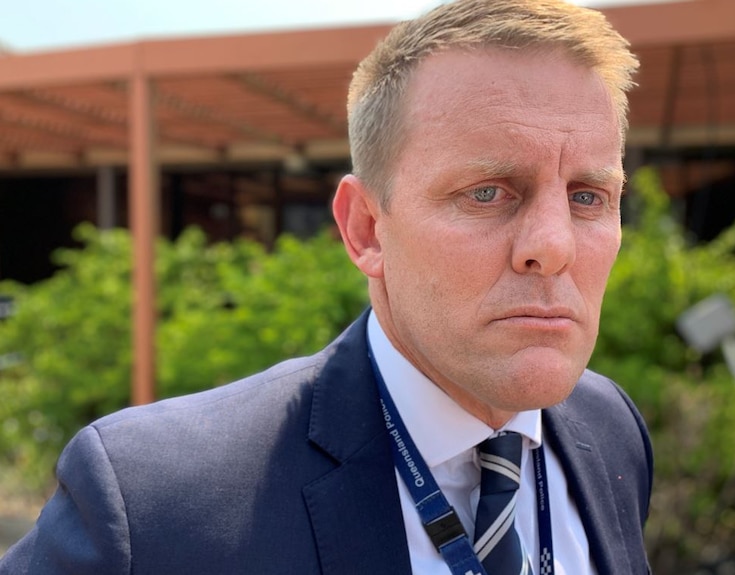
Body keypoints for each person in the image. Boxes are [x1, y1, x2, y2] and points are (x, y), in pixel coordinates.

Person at [0, 0, 652, 573]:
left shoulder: (610, 428)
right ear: (366, 228)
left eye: (589, 196)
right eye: (488, 192)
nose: (554, 245)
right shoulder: (152, 505)